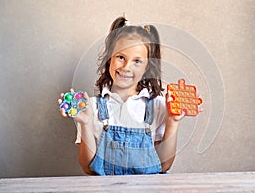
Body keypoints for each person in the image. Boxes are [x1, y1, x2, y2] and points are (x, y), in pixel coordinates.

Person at [58, 16, 185, 175]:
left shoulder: (158, 106)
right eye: (121, 57)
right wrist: (85, 124)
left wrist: (172, 122)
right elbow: (88, 168)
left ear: (147, 67)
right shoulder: (91, 107)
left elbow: (163, 165)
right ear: (109, 58)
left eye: (137, 61)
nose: (126, 67)